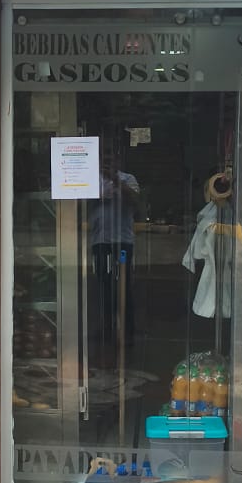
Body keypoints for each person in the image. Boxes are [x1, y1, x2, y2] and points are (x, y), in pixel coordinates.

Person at [89, 143, 139, 347]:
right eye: (104, 159)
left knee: (123, 286)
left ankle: (127, 331)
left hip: (123, 242)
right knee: (104, 287)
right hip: (101, 242)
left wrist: (115, 180)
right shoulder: (91, 179)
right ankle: (106, 329)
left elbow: (135, 201)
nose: (107, 162)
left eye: (111, 158)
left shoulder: (128, 179)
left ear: (118, 160)